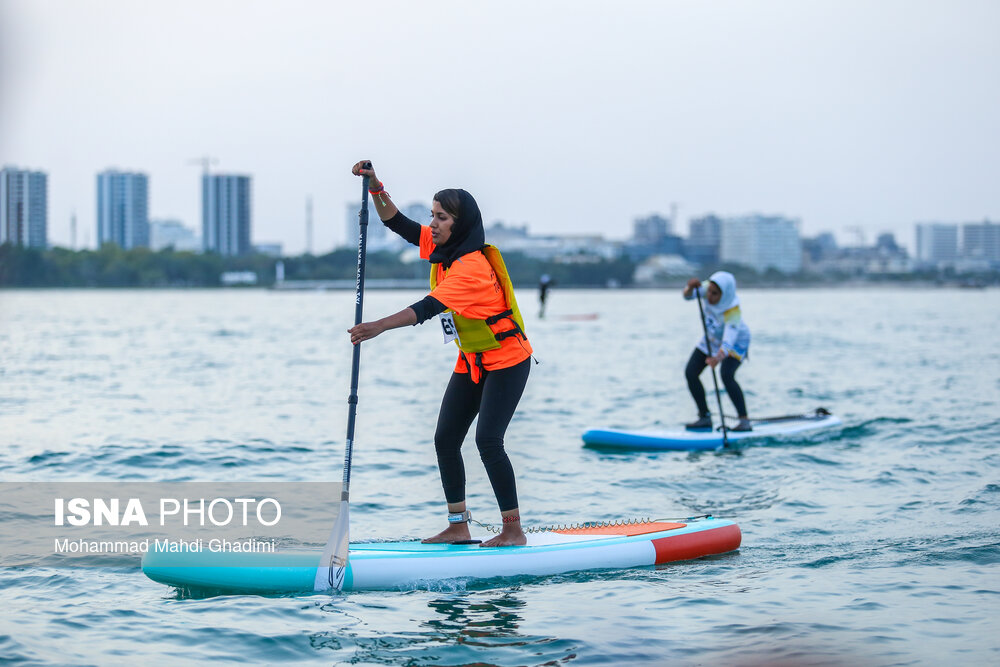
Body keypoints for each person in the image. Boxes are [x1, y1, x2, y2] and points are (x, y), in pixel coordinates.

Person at [347, 160, 533, 547]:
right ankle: (458, 524)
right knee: (445, 438)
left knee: (488, 441)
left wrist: (376, 326)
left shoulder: (472, 269)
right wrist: (376, 187)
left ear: (459, 225)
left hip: (508, 360)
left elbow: (425, 309)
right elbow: (396, 223)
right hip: (473, 360)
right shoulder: (444, 248)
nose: (432, 224)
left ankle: (513, 530)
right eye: (432, 215)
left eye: (441, 217)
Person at [681, 271, 752, 432]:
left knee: (726, 375)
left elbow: (728, 341)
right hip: (712, 339)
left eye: (715, 294)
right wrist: (690, 287)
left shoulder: (732, 310)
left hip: (736, 344)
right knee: (690, 373)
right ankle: (704, 417)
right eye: (709, 292)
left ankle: (744, 420)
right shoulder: (707, 288)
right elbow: (687, 296)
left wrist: (717, 359)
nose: (709, 296)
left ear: (724, 294)